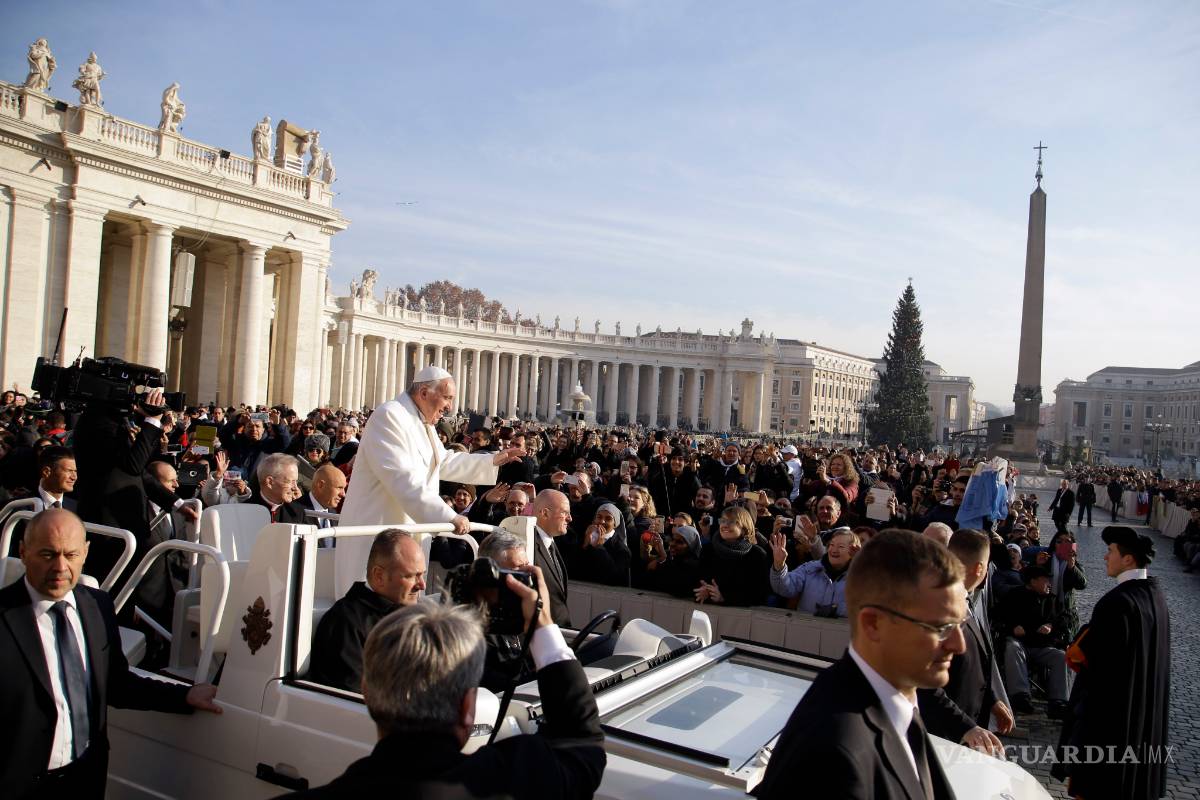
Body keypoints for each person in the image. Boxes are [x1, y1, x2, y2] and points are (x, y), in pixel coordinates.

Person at [281, 566, 605, 800]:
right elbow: (581, 744)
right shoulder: (520, 779)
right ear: (468, 706)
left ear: (368, 691)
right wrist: (541, 622)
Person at [0, 509, 221, 798]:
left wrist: (184, 695)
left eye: (70, 555)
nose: (60, 567)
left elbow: (116, 683)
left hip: (85, 779)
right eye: (47, 554)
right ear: (23, 552)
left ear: (85, 552)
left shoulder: (97, 606)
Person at [754, 530, 964, 800]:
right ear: (873, 624)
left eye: (959, 624)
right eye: (941, 627)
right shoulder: (833, 756)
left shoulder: (900, 705)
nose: (959, 645)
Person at [336, 367, 524, 596]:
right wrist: (448, 517)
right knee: (373, 604)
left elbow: (443, 461)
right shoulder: (390, 416)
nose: (450, 406)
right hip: (378, 532)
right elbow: (402, 479)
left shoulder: (423, 422)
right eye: (447, 397)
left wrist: (492, 460)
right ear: (424, 393)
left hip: (407, 533)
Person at [1053, 526, 1170, 799]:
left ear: (1128, 559)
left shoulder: (1116, 602)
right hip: (1141, 717)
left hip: (1112, 724)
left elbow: (1083, 658)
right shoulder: (1156, 595)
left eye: (1110, 551)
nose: (1105, 557)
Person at [73, 386, 196, 625]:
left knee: (129, 598)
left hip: (126, 527)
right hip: (109, 527)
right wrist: (152, 420)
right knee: (113, 598)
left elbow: (140, 475)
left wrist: (175, 503)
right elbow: (134, 465)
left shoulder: (113, 423)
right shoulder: (96, 424)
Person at [919, 529, 1015, 737]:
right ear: (979, 568)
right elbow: (925, 685)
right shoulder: (938, 604)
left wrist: (991, 700)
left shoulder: (965, 598)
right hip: (941, 735)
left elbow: (973, 663)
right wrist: (966, 727)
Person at [308, 530, 425, 693]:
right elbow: (349, 697)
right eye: (411, 576)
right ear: (379, 576)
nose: (422, 585)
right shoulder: (346, 623)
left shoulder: (418, 614)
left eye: (422, 575)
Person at [998, 564, 1071, 717]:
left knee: (1061, 657)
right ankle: (1020, 696)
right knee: (1012, 647)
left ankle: (1058, 702)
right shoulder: (1014, 596)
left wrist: (1051, 625)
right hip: (1021, 644)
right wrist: (1013, 627)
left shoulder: (1052, 600)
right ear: (1033, 581)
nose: (1049, 584)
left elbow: (1065, 619)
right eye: (1046, 580)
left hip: (1042, 646)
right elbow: (998, 616)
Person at [768, 528, 858, 617]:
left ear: (853, 551)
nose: (834, 550)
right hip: (805, 625)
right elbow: (784, 588)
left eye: (841, 546)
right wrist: (779, 565)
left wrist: (863, 565)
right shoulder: (810, 569)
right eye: (832, 545)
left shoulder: (860, 578)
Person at [694, 505, 769, 607]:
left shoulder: (757, 555)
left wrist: (724, 597)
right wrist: (705, 590)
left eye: (731, 522)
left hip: (740, 615)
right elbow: (698, 579)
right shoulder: (708, 550)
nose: (725, 525)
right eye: (723, 521)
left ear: (744, 528)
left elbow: (759, 594)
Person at [530, 489, 573, 627]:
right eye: (565, 512)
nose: (570, 518)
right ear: (545, 513)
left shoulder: (552, 544)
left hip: (556, 631)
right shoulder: (527, 546)